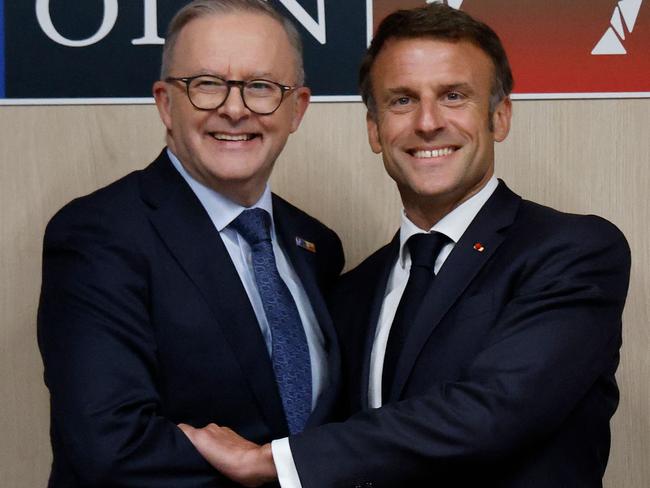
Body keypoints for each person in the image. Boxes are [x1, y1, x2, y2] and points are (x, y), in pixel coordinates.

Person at [177, 4, 631, 488]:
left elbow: (496, 410)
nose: (427, 122)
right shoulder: (351, 292)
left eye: (454, 96)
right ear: (374, 129)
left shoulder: (573, 252)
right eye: (401, 101)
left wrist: (274, 461)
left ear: (499, 116)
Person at [37, 1, 344, 486]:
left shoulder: (317, 246)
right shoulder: (98, 235)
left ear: (297, 108)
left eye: (261, 87)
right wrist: (274, 469)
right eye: (206, 84)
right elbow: (109, 446)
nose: (234, 108)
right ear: (164, 102)